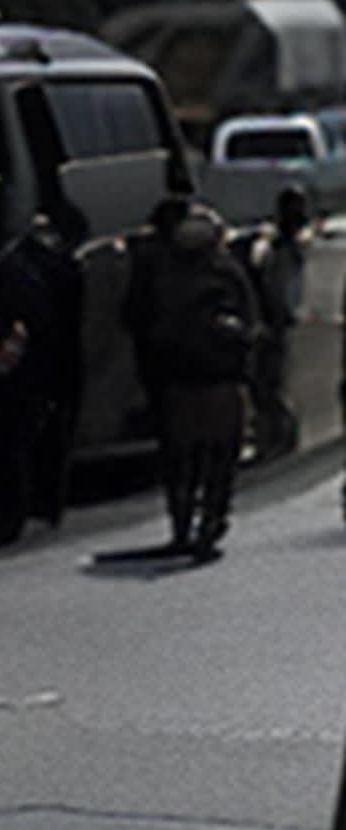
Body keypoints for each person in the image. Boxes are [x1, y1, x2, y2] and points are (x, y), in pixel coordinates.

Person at [124, 196, 258, 561]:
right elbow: (250, 318)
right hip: (220, 378)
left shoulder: (158, 267)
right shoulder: (226, 268)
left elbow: (138, 319)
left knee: (180, 457)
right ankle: (210, 519)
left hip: (179, 378)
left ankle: (185, 524)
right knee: (221, 458)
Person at [0, 215, 84, 545]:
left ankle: (7, 520)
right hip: (49, 367)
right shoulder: (42, 263)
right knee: (39, 440)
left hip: (19, 372)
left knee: (5, 446)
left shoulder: (8, 272)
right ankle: (42, 508)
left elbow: (20, 327)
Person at [245, 184, 309, 459]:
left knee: (268, 381)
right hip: (275, 318)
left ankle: (277, 435)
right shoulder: (284, 245)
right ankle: (274, 433)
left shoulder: (286, 248)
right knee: (267, 381)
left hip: (274, 318)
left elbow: (280, 288)